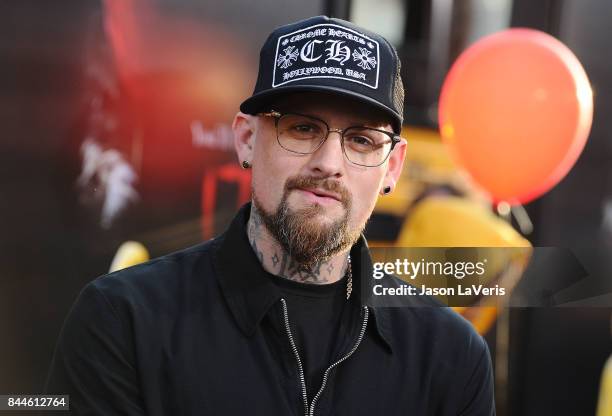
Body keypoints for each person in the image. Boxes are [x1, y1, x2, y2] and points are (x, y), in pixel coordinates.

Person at [46, 15, 495, 415]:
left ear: (391, 167)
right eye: (301, 127)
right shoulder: (125, 320)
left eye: (361, 140)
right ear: (245, 139)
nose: (329, 163)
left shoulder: (449, 354)